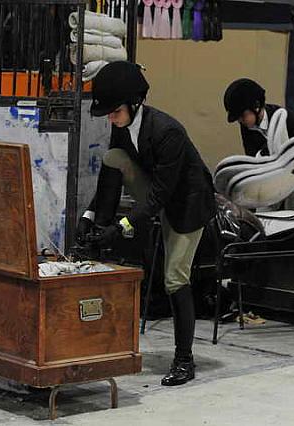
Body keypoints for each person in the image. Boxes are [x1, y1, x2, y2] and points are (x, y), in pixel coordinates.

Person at [77, 61, 216, 386]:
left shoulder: (168, 132)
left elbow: (158, 199)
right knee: (113, 157)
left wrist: (123, 225)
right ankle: (100, 236)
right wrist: (92, 216)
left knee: (175, 278)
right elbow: (115, 170)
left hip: (188, 204)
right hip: (157, 190)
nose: (110, 118)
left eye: (114, 112)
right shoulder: (122, 124)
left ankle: (185, 360)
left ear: (134, 103)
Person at [223, 78, 294, 210]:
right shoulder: (247, 126)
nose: (240, 121)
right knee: (264, 215)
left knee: (293, 214)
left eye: (242, 116)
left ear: (256, 107)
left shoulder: (284, 117)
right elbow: (253, 156)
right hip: (271, 176)